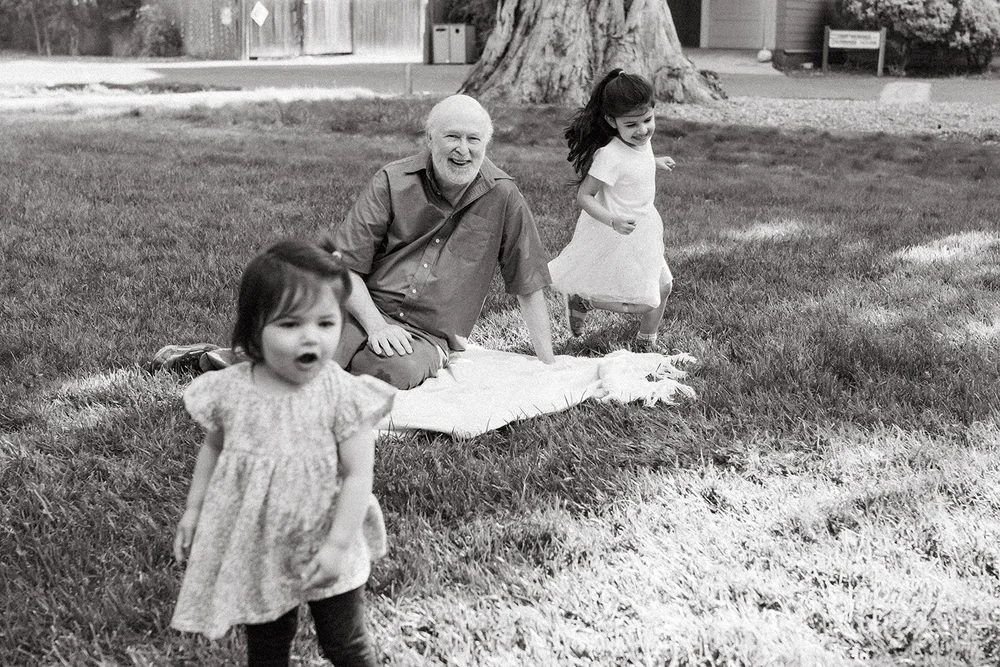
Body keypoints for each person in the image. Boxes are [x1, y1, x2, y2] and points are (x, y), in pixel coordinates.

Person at [171, 239, 394, 667]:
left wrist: (337, 546)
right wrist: (194, 510)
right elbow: (213, 449)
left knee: (344, 644)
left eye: (326, 323)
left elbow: (357, 475)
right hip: (260, 543)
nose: (311, 337)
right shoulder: (232, 391)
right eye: (291, 324)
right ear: (255, 328)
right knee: (268, 644)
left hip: (326, 538)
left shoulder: (343, 395)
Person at [330, 94, 555, 390]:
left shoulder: (504, 196)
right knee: (296, 351)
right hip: (365, 308)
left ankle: (352, 367)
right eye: (452, 137)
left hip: (427, 334)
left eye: (473, 140)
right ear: (429, 139)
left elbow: (528, 281)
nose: (463, 150)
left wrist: (549, 366)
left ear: (485, 145)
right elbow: (345, 266)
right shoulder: (392, 180)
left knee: (393, 371)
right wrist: (377, 326)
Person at [548, 69, 676, 351]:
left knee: (664, 286)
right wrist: (612, 220)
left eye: (648, 120)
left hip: (644, 227)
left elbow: (636, 161)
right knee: (646, 300)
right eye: (631, 125)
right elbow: (585, 196)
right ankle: (584, 300)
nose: (642, 130)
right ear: (611, 121)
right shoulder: (610, 156)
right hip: (618, 231)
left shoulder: (640, 142)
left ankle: (646, 342)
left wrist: (655, 160)